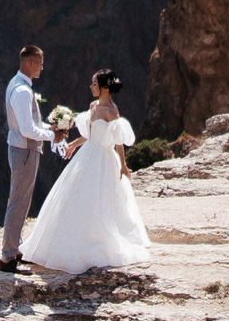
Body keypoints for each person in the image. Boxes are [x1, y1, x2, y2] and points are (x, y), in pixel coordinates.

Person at [18, 69, 153, 275]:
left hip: (104, 159)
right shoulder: (93, 106)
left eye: (94, 84)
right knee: (76, 197)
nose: (91, 87)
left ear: (104, 87)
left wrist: (123, 165)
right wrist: (74, 143)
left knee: (100, 200)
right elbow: (90, 135)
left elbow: (117, 141)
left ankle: (96, 242)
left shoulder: (111, 112)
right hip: (88, 154)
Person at [0, 45, 55, 275]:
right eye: (40, 63)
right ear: (30, 63)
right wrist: (52, 135)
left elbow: (29, 125)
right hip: (25, 151)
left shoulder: (18, 85)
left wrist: (51, 128)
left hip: (21, 149)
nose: (42, 67)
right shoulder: (22, 91)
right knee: (18, 203)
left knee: (21, 201)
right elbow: (28, 129)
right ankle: (8, 258)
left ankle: (15, 250)